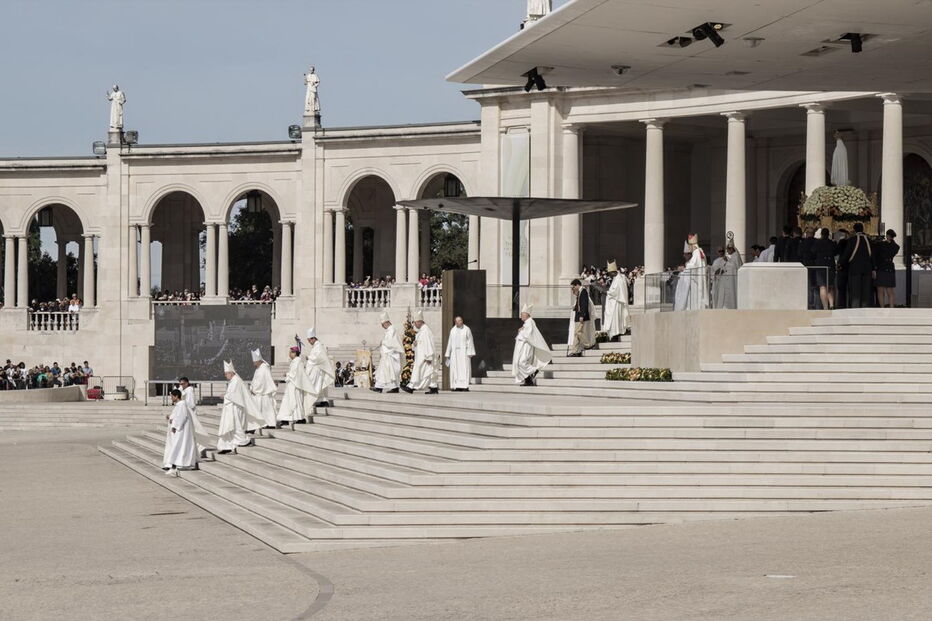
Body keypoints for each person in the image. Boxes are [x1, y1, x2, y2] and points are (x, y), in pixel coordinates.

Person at [216, 361, 254, 454]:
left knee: (235, 426)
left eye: (226, 374)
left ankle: (244, 440)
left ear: (231, 373)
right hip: (231, 408)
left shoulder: (236, 380)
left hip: (235, 408)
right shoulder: (233, 381)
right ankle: (226, 446)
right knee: (230, 426)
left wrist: (224, 395)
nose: (225, 376)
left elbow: (234, 395)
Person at [295, 328, 336, 411]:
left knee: (314, 385)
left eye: (309, 340)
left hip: (317, 370)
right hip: (314, 369)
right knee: (317, 386)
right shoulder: (316, 346)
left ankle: (313, 401)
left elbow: (318, 358)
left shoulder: (319, 346)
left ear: (313, 338)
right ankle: (321, 401)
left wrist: (308, 357)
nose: (309, 342)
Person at [512, 304, 552, 386]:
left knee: (522, 362)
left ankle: (534, 370)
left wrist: (521, 331)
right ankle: (528, 380)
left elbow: (528, 335)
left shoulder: (530, 322)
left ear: (527, 314)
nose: (520, 316)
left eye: (522, 314)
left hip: (527, 346)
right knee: (520, 363)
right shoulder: (526, 323)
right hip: (523, 346)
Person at [838, 222, 875, 308]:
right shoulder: (869, 240)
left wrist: (841, 263)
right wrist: (874, 268)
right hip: (867, 269)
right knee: (866, 291)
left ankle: (855, 308)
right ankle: (865, 307)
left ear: (854, 230)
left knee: (855, 291)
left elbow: (847, 254)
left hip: (855, 269)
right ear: (863, 229)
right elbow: (873, 255)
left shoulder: (852, 240)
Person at [162, 389, 198, 476]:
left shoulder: (181, 405)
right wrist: (171, 417)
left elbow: (181, 417)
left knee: (177, 447)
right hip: (180, 430)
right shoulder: (180, 405)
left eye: (172, 397)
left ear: (176, 396)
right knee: (177, 447)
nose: (171, 398)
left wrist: (175, 426)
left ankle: (174, 466)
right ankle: (174, 465)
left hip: (181, 430)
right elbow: (177, 415)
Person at [403, 310, 438, 394]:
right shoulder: (421, 331)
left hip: (425, 357)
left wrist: (429, 357)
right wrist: (415, 344)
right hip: (421, 356)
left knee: (423, 371)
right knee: (427, 372)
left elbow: (429, 344)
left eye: (415, 323)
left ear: (419, 322)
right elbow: (419, 344)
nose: (414, 325)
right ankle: (433, 388)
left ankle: (411, 387)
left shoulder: (426, 331)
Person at [673, 234, 709, 311]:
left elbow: (693, 266)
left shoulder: (697, 252)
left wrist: (684, 268)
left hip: (695, 280)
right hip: (696, 278)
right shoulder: (700, 251)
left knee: (694, 297)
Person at [179, 376, 212, 456]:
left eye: (183, 384)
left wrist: (183, 403)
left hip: (191, 415)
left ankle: (201, 450)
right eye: (180, 384)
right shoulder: (184, 390)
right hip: (186, 414)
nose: (181, 385)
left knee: (195, 433)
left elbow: (191, 404)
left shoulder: (189, 391)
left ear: (187, 383)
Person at [373, 312, 403, 393]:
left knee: (388, 372)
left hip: (390, 354)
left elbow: (391, 343)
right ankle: (393, 387)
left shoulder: (392, 330)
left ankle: (379, 387)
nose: (382, 326)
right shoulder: (390, 330)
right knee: (387, 372)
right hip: (388, 354)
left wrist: (383, 342)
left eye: (383, 324)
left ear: (386, 322)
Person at [277, 346, 305, 426]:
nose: (289, 354)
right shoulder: (295, 361)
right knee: (289, 402)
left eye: (291, 352)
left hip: (295, 386)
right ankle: (287, 418)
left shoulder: (297, 362)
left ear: (295, 353)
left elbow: (294, 374)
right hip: (291, 385)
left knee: (295, 401)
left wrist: (287, 374)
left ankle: (299, 418)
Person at [249, 349, 278, 430]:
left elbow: (262, 382)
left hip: (264, 393)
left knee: (267, 410)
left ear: (258, 361)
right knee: (262, 411)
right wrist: (252, 388)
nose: (254, 363)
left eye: (255, 361)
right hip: (259, 394)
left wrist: (254, 390)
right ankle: (264, 424)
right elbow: (255, 380)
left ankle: (270, 424)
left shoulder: (264, 368)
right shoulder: (258, 369)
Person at [445, 316, 475, 392]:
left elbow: (470, 341)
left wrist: (470, 352)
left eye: (460, 320)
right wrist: (448, 353)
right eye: (457, 321)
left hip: (464, 353)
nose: (459, 322)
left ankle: (465, 386)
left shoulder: (466, 329)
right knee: (455, 369)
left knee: (464, 368)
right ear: (455, 322)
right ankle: (456, 386)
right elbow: (450, 342)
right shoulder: (453, 330)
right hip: (455, 353)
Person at [811, 228, 837, 310]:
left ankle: (825, 307)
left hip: (820, 266)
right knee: (830, 286)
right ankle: (832, 305)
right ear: (828, 234)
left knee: (822, 287)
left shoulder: (817, 242)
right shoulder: (832, 243)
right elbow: (836, 252)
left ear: (821, 234)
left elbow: (813, 251)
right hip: (830, 265)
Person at [568, 279, 594, 357]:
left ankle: (588, 345)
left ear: (577, 285)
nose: (572, 288)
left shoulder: (583, 292)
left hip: (581, 317)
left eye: (573, 287)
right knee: (576, 334)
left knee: (578, 333)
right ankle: (575, 351)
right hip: (577, 316)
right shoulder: (579, 292)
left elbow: (584, 304)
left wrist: (582, 315)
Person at [875, 229, 899, 308]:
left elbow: (877, 254)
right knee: (890, 290)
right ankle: (891, 308)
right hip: (890, 268)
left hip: (881, 267)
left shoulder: (881, 244)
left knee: (880, 290)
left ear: (887, 235)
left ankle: (882, 308)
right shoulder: (896, 246)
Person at [834, 229, 850, 309]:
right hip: (850, 265)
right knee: (851, 287)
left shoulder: (841, 242)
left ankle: (841, 304)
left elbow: (836, 251)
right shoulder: (851, 242)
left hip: (842, 266)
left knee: (841, 288)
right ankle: (850, 304)